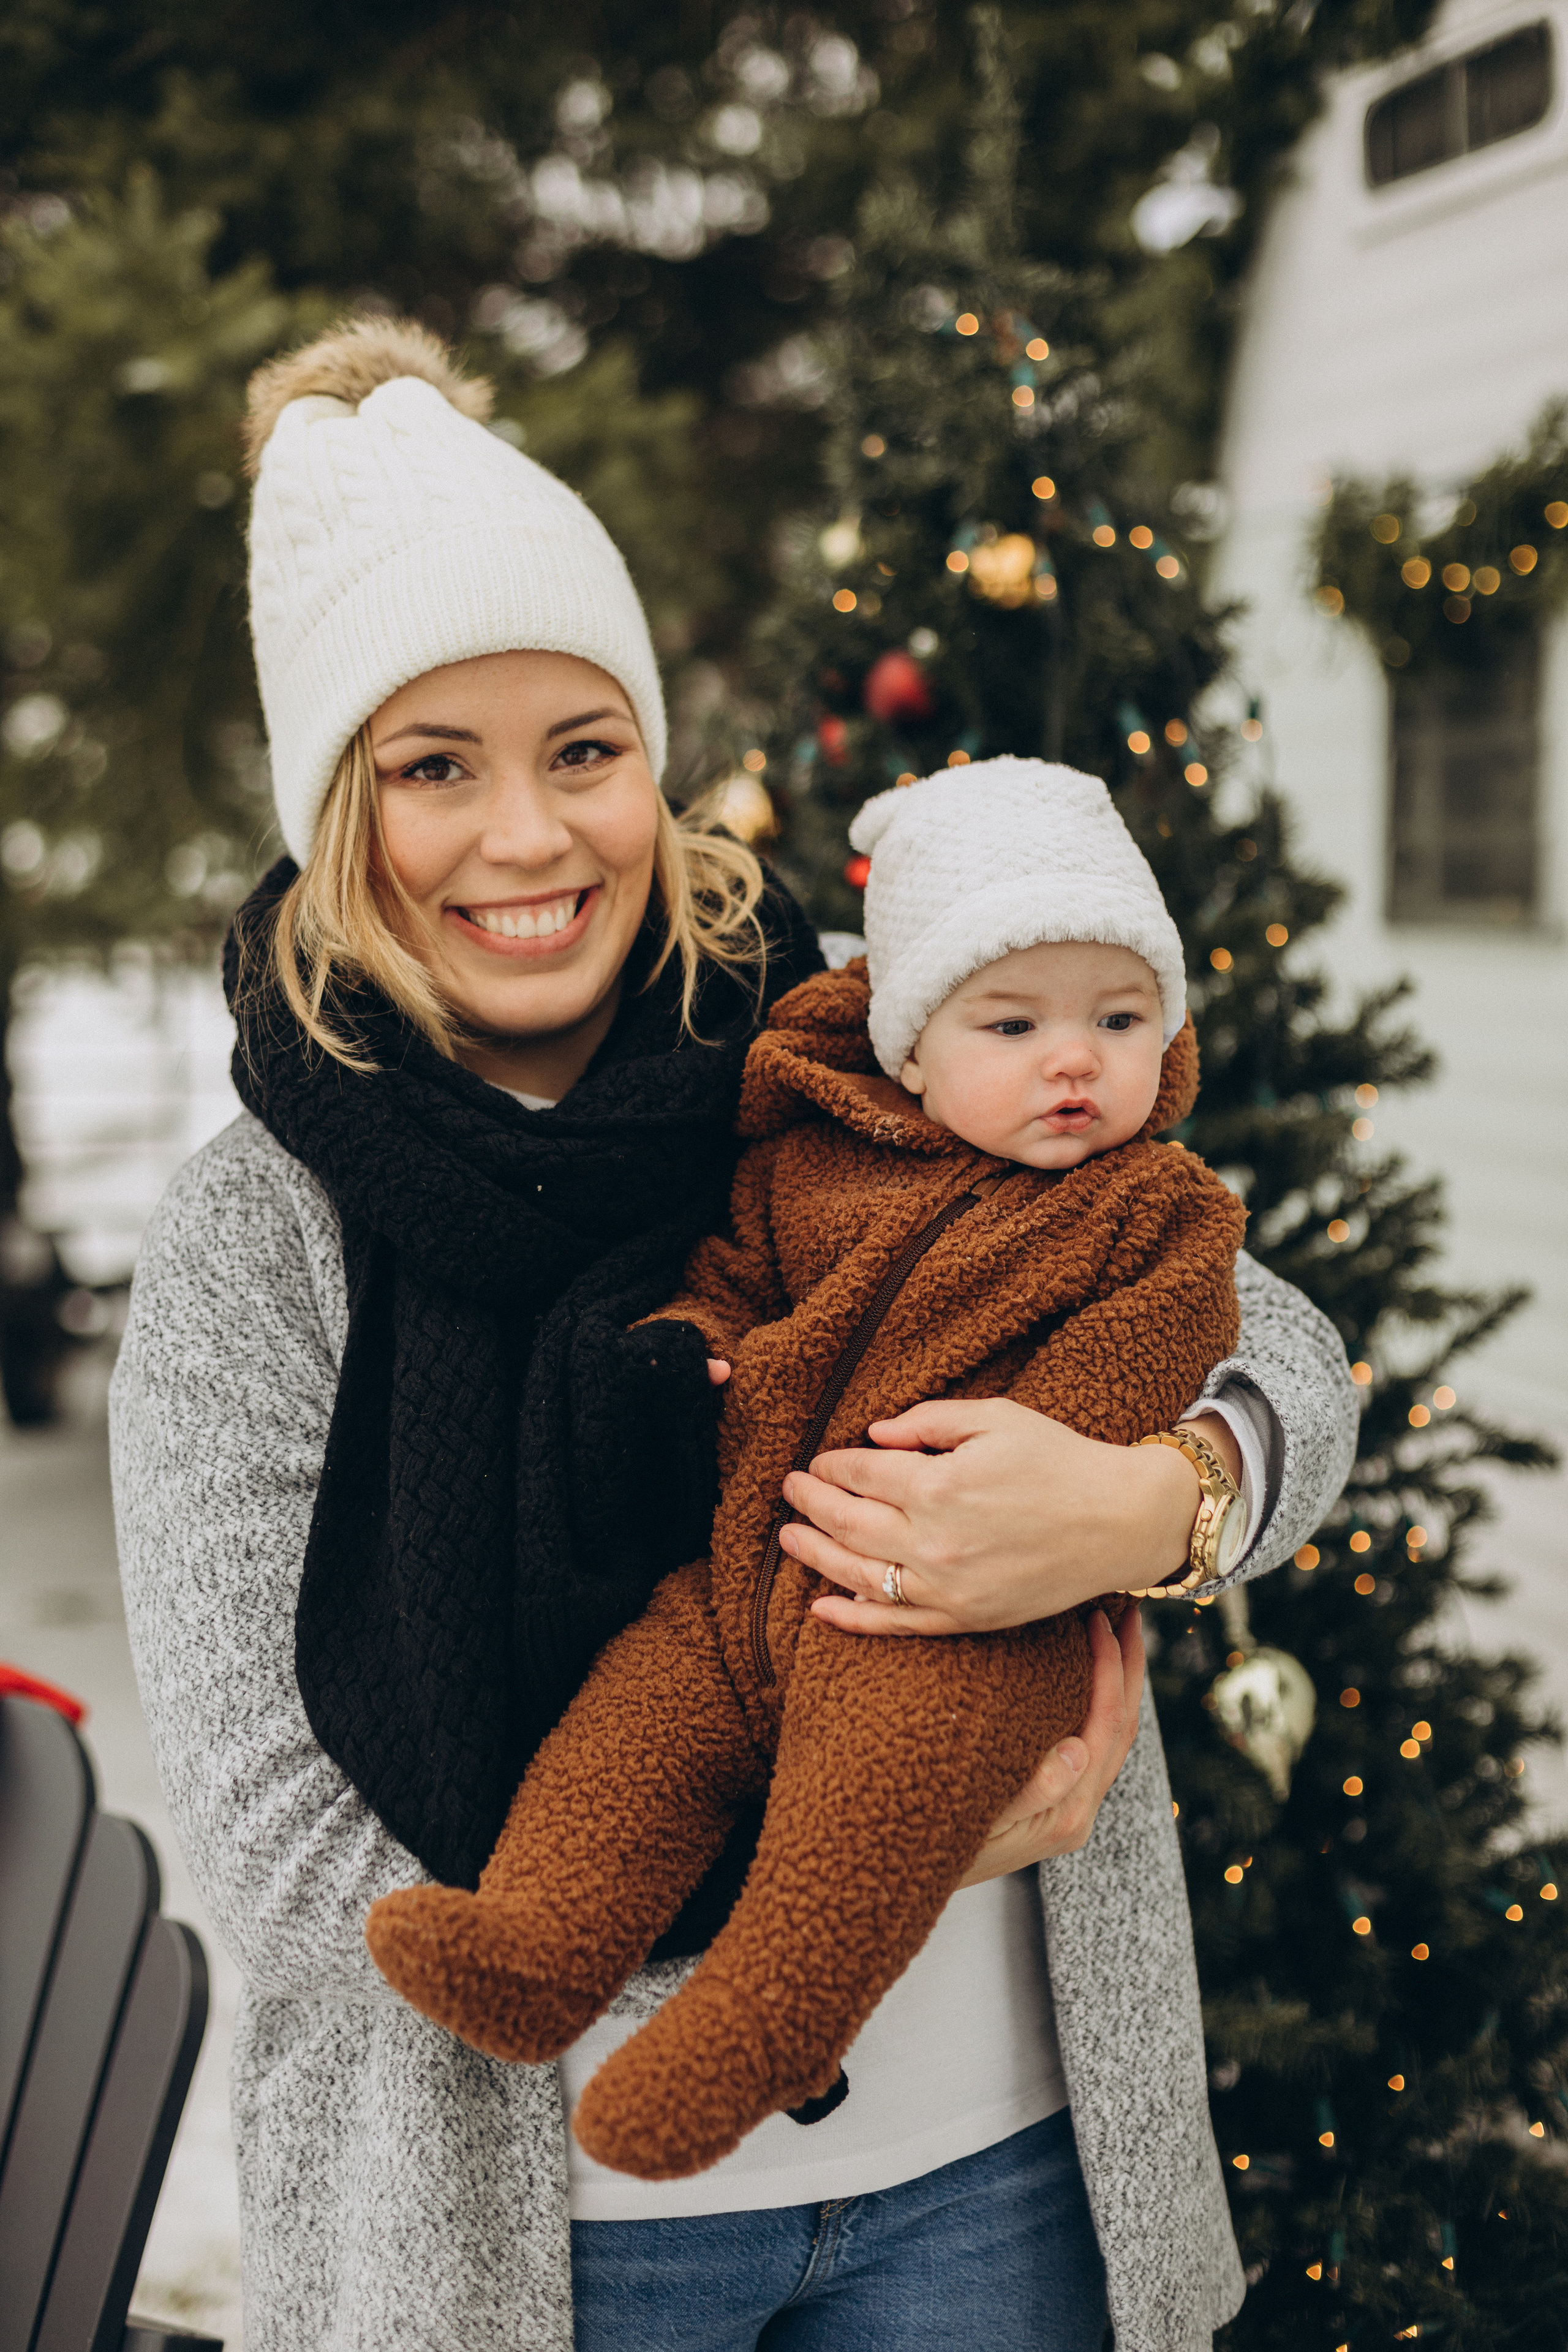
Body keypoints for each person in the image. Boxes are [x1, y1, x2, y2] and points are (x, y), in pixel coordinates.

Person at [110, 318, 1359, 2352]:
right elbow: (280, 1850)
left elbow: (1268, 1332)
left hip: (995, 2175)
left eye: (585, 750)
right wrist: (873, 1864)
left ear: (653, 762)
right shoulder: (257, 1240)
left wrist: (1157, 1502)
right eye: (438, 768)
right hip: (553, 2246)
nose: (533, 841)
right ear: (343, 811)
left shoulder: (848, 1031)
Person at [364, 758, 1250, 2195]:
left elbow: (1180, 1342)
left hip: (959, 1619)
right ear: (907, 1048)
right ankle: (535, 1946)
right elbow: (731, 1276)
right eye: (1011, 1024)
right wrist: (691, 1347)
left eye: (1119, 1018)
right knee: (632, 1731)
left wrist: (1089, 1488)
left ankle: (766, 2025)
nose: (1072, 1062)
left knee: (871, 1794)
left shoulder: (1152, 1208)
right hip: (746, 1580)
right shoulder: (807, 1165)